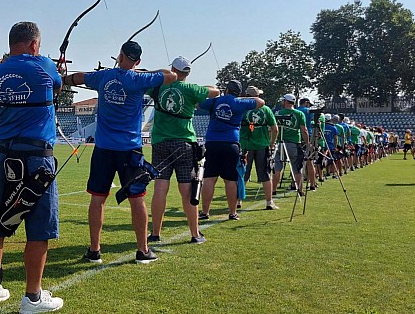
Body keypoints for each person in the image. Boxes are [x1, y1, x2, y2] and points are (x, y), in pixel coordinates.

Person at [0, 22, 63, 312]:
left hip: (4, 157)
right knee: (39, 229)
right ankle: (33, 297)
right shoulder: (43, 64)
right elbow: (57, 84)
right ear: (34, 44)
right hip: (37, 159)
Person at [62, 41, 177, 264]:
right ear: (138, 61)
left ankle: (94, 250)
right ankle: (142, 250)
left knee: (98, 199)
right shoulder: (139, 79)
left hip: (104, 148)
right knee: (137, 199)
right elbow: (170, 75)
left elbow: (77, 78)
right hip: (129, 151)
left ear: (119, 56)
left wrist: (62, 79)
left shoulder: (103, 76)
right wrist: (139, 71)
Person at [147, 56, 220, 244]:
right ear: (187, 73)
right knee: (187, 189)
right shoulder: (190, 89)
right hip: (183, 144)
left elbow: (143, 78)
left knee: (160, 188)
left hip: (161, 143)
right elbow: (215, 91)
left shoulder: (158, 86)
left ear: (173, 69)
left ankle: (155, 233)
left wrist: (161, 72)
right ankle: (195, 234)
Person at [198, 80, 264, 220]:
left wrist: (214, 90)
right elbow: (260, 102)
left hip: (213, 142)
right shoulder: (239, 102)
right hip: (231, 143)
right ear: (239, 92)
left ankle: (205, 212)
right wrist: (241, 98)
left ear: (226, 89)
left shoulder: (216, 101)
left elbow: (198, 101)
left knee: (209, 179)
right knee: (230, 180)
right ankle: (232, 213)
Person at [238, 86, 279, 211]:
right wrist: (272, 142)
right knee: (265, 174)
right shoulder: (265, 109)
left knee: (242, 173)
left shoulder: (242, 109)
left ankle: (238, 201)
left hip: (245, 145)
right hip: (262, 145)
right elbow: (275, 129)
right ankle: (269, 202)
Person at [271, 94, 309, 196]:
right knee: (296, 168)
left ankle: (273, 190)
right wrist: (307, 142)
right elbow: (304, 130)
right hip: (294, 144)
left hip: (281, 143)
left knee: (278, 168)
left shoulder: (278, 113)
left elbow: (273, 129)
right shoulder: (299, 114)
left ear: (285, 101)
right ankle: (300, 190)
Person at [297, 98, 318, 190]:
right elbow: (314, 121)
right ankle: (312, 184)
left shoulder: (295, 110)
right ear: (306, 103)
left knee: (295, 162)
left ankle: (295, 184)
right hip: (308, 136)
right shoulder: (308, 111)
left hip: (296, 136)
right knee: (310, 161)